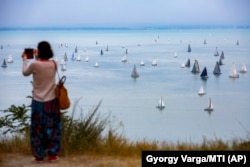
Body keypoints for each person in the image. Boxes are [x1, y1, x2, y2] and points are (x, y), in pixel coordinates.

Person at [22, 41, 61, 162]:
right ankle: (53, 154)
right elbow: (43, 63)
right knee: (52, 128)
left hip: (38, 102)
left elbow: (25, 73)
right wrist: (38, 54)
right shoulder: (55, 63)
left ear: (39, 51)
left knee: (37, 129)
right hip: (52, 102)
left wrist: (24, 59)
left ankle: (39, 155)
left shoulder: (34, 65)